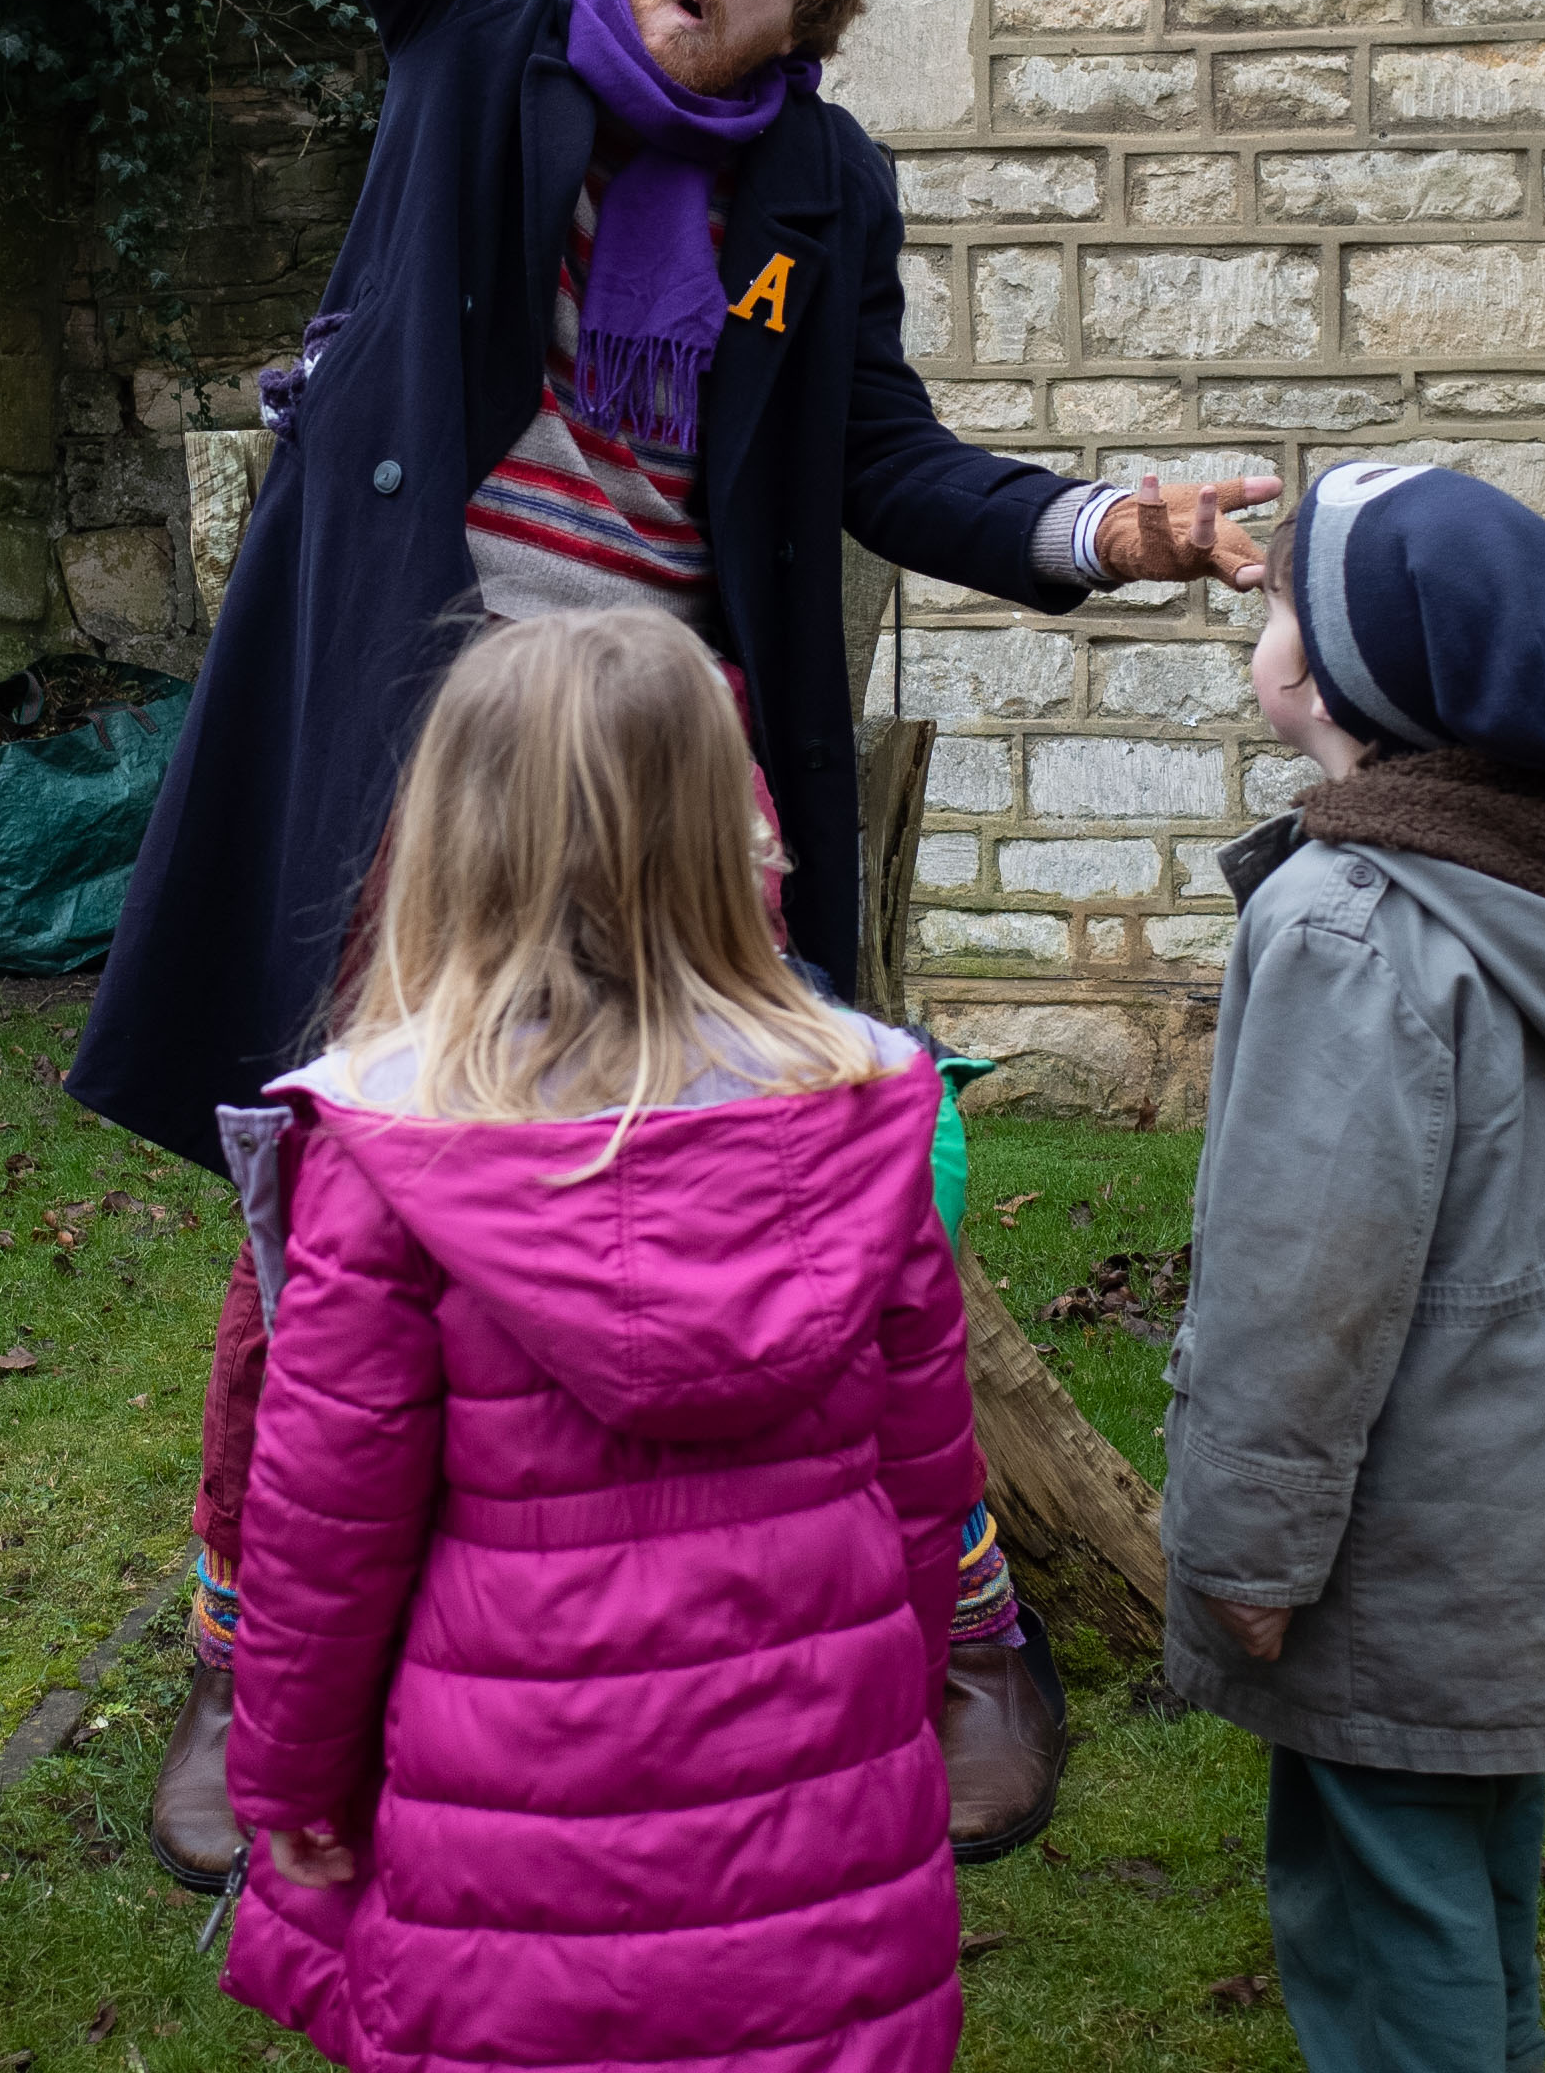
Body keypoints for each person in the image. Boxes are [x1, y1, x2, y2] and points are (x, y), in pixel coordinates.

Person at [71, 0, 1276, 1881]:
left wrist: (1117, 525)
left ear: (805, 17)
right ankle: (252, 1658)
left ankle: (955, 1626)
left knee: (807, 1159)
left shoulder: (817, 196)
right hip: (416, 755)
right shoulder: (480, 10)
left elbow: (891, 468)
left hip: (669, 770)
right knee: (324, 1190)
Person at [217, 606, 979, 2073]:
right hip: (822, 1805)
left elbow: (323, 1535)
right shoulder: (862, 1119)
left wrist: (291, 1779)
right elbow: (927, 1491)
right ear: (723, 827)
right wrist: (896, 1710)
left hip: (510, 1830)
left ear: (453, 839)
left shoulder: (392, 1150)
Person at [1167, 463, 1545, 2073]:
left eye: (1279, 605)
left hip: (1391, 1543)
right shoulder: (1543, 875)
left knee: (1381, 1927)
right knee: (1468, 1894)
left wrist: (1247, 1547)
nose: (1257, 628)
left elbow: (1302, 1285)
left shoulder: (1346, 921)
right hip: (1525, 1511)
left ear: (1332, 674)